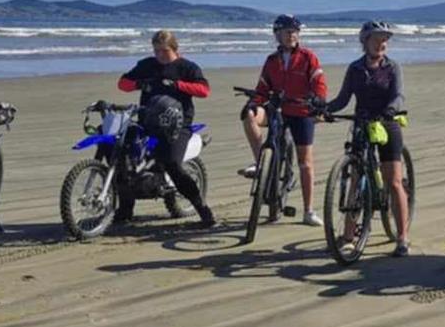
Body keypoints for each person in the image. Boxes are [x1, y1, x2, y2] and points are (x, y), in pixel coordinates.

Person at [323, 20, 412, 255]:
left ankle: (402, 238)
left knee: (394, 182)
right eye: (377, 39)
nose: (381, 43)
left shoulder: (392, 67)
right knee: (355, 179)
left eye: (384, 40)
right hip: (362, 124)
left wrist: (391, 110)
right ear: (365, 42)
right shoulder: (355, 69)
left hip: (387, 123)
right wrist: (324, 109)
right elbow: (342, 99)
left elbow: (399, 95)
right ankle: (348, 235)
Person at [117, 29, 216, 228]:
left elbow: (204, 90)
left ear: (174, 48)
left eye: (164, 51)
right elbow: (122, 83)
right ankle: (125, 210)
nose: (160, 55)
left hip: (178, 126)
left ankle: (203, 210)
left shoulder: (187, 67)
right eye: (156, 51)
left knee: (172, 164)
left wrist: (178, 85)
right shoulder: (147, 65)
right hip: (148, 122)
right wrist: (139, 84)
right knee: (122, 154)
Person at [239, 14, 328, 225]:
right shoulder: (272, 60)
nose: (292, 35)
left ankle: (308, 211)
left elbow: (319, 82)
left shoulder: (308, 57)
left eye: (295, 32)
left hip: (301, 111)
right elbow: (263, 88)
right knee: (249, 114)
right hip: (277, 110)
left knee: (305, 162)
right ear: (277, 34)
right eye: (288, 32)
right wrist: (255, 101)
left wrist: (318, 99)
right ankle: (261, 162)